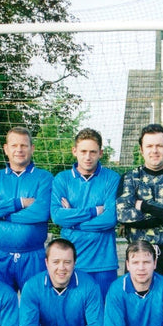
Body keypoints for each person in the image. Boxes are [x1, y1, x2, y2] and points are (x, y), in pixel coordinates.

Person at [116, 123, 163, 306]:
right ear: (141, 149)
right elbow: (124, 214)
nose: (154, 150)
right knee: (137, 308)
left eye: (159, 146)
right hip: (139, 255)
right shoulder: (130, 178)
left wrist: (144, 205)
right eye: (149, 146)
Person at [0, 126, 53, 291]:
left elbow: (41, 212)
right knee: (0, 306)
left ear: (32, 148)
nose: (19, 150)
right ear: (6, 149)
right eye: (14, 145)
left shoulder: (44, 177)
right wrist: (20, 203)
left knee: (34, 307)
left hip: (33, 256)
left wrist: (2, 211)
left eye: (24, 145)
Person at [50, 128, 121, 299]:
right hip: (72, 262)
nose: (88, 157)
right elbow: (57, 216)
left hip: (103, 263)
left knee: (103, 316)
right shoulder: (62, 179)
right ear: (74, 151)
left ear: (100, 153)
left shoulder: (112, 178)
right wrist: (94, 211)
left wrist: (73, 220)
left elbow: (110, 218)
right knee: (73, 317)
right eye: (83, 151)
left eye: (92, 152)